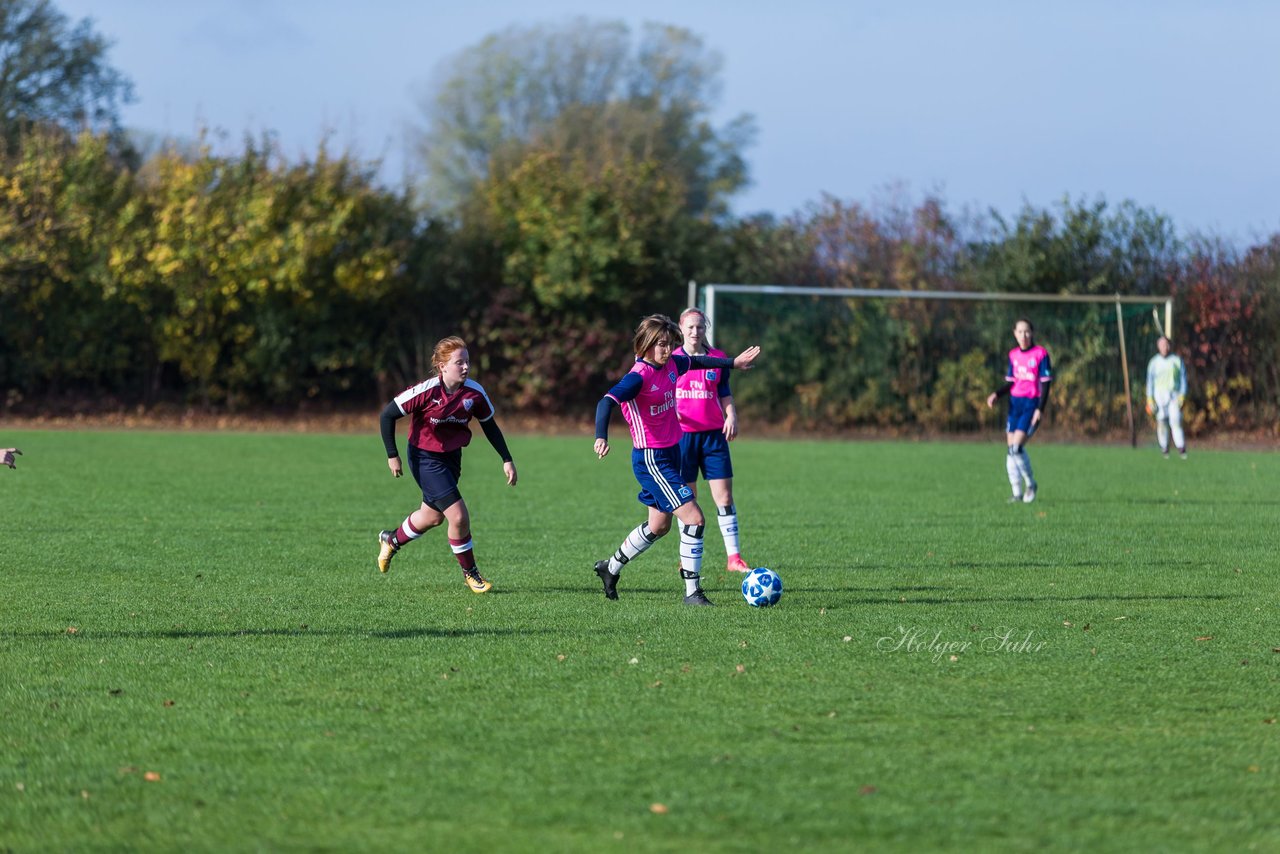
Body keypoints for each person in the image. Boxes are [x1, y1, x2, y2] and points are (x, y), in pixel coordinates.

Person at [593, 314, 761, 605]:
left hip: (672, 453)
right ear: (645, 345)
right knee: (695, 519)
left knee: (659, 526)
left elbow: (698, 362)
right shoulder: (638, 376)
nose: (667, 350)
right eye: (661, 344)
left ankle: (611, 568)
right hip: (651, 459)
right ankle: (692, 593)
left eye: (671, 344)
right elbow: (606, 401)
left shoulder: (671, 364)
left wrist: (732, 363)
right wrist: (601, 436)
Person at [376, 336, 517, 593]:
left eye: (467, 362)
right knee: (458, 516)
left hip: (452, 458)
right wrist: (391, 454)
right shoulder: (426, 391)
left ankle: (391, 540)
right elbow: (387, 415)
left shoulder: (474, 393)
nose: (465, 367)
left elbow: (490, 426)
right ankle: (471, 574)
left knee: (432, 517)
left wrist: (506, 459)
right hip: (424, 458)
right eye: (459, 362)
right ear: (442, 366)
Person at [673, 307, 751, 573]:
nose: (696, 332)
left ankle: (734, 558)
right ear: (681, 329)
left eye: (700, 327)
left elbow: (724, 391)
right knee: (688, 501)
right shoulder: (672, 360)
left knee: (725, 497)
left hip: (714, 438)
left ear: (706, 328)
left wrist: (731, 415)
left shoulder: (717, 358)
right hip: (682, 438)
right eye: (690, 327)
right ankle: (686, 555)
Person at [986, 318, 1052, 503]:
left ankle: (1031, 484)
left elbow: (1046, 384)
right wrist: (997, 395)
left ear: (1032, 333)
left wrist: (1040, 409)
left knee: (1017, 448)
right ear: (1015, 334)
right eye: (1020, 332)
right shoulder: (1013, 355)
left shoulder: (1041, 354)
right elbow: (1011, 382)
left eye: (1027, 331)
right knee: (1010, 450)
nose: (1024, 335)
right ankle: (1016, 493)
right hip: (1015, 403)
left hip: (1031, 404)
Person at [1145, 336, 1188, 459]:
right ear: (1158, 347)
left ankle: (1181, 448)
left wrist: (1182, 395)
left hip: (1174, 395)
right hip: (1159, 396)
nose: (1165, 347)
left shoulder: (1176, 360)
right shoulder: (1154, 362)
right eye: (1162, 345)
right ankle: (1164, 448)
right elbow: (1150, 382)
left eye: (1167, 344)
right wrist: (1149, 398)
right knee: (1161, 421)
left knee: (1176, 420)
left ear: (1170, 346)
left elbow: (1183, 379)